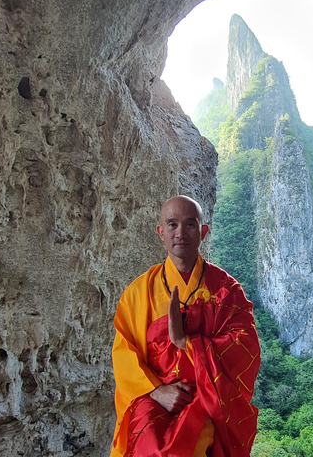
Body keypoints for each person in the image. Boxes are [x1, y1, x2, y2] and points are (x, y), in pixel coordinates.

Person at [110, 195, 260, 457]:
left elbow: (245, 346)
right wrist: (157, 391)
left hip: (207, 395)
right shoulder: (138, 292)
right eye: (172, 224)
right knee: (148, 444)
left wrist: (186, 342)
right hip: (155, 395)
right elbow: (124, 353)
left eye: (190, 224)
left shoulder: (227, 291)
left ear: (203, 231)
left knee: (189, 444)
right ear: (160, 232)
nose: (180, 233)